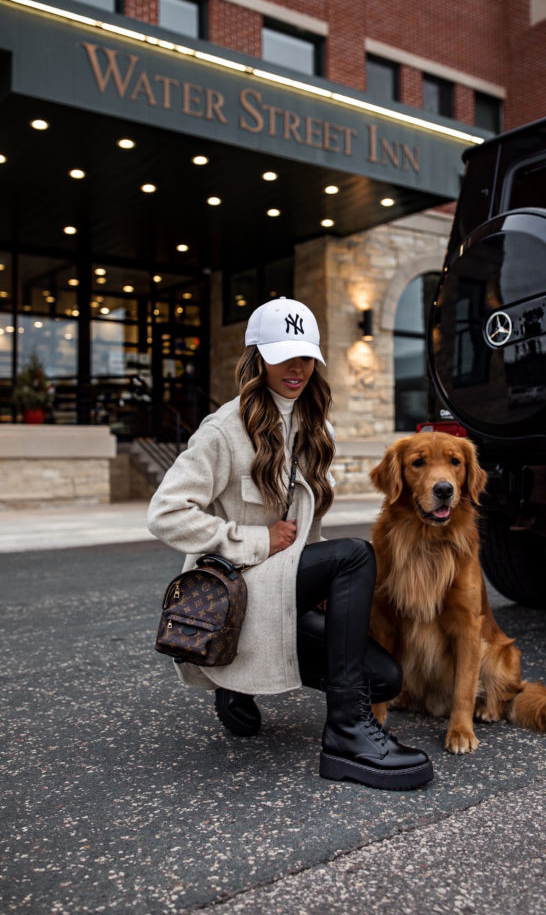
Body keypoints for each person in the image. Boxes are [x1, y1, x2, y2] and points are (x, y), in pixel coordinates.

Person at [147, 297, 433, 791]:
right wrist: (253, 539)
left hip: (287, 584)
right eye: (283, 355)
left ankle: (243, 683)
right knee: (356, 554)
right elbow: (165, 514)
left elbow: (307, 528)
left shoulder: (317, 429)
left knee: (385, 678)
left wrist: (319, 579)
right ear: (258, 357)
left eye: (305, 356)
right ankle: (346, 733)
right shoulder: (223, 431)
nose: (296, 367)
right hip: (238, 588)